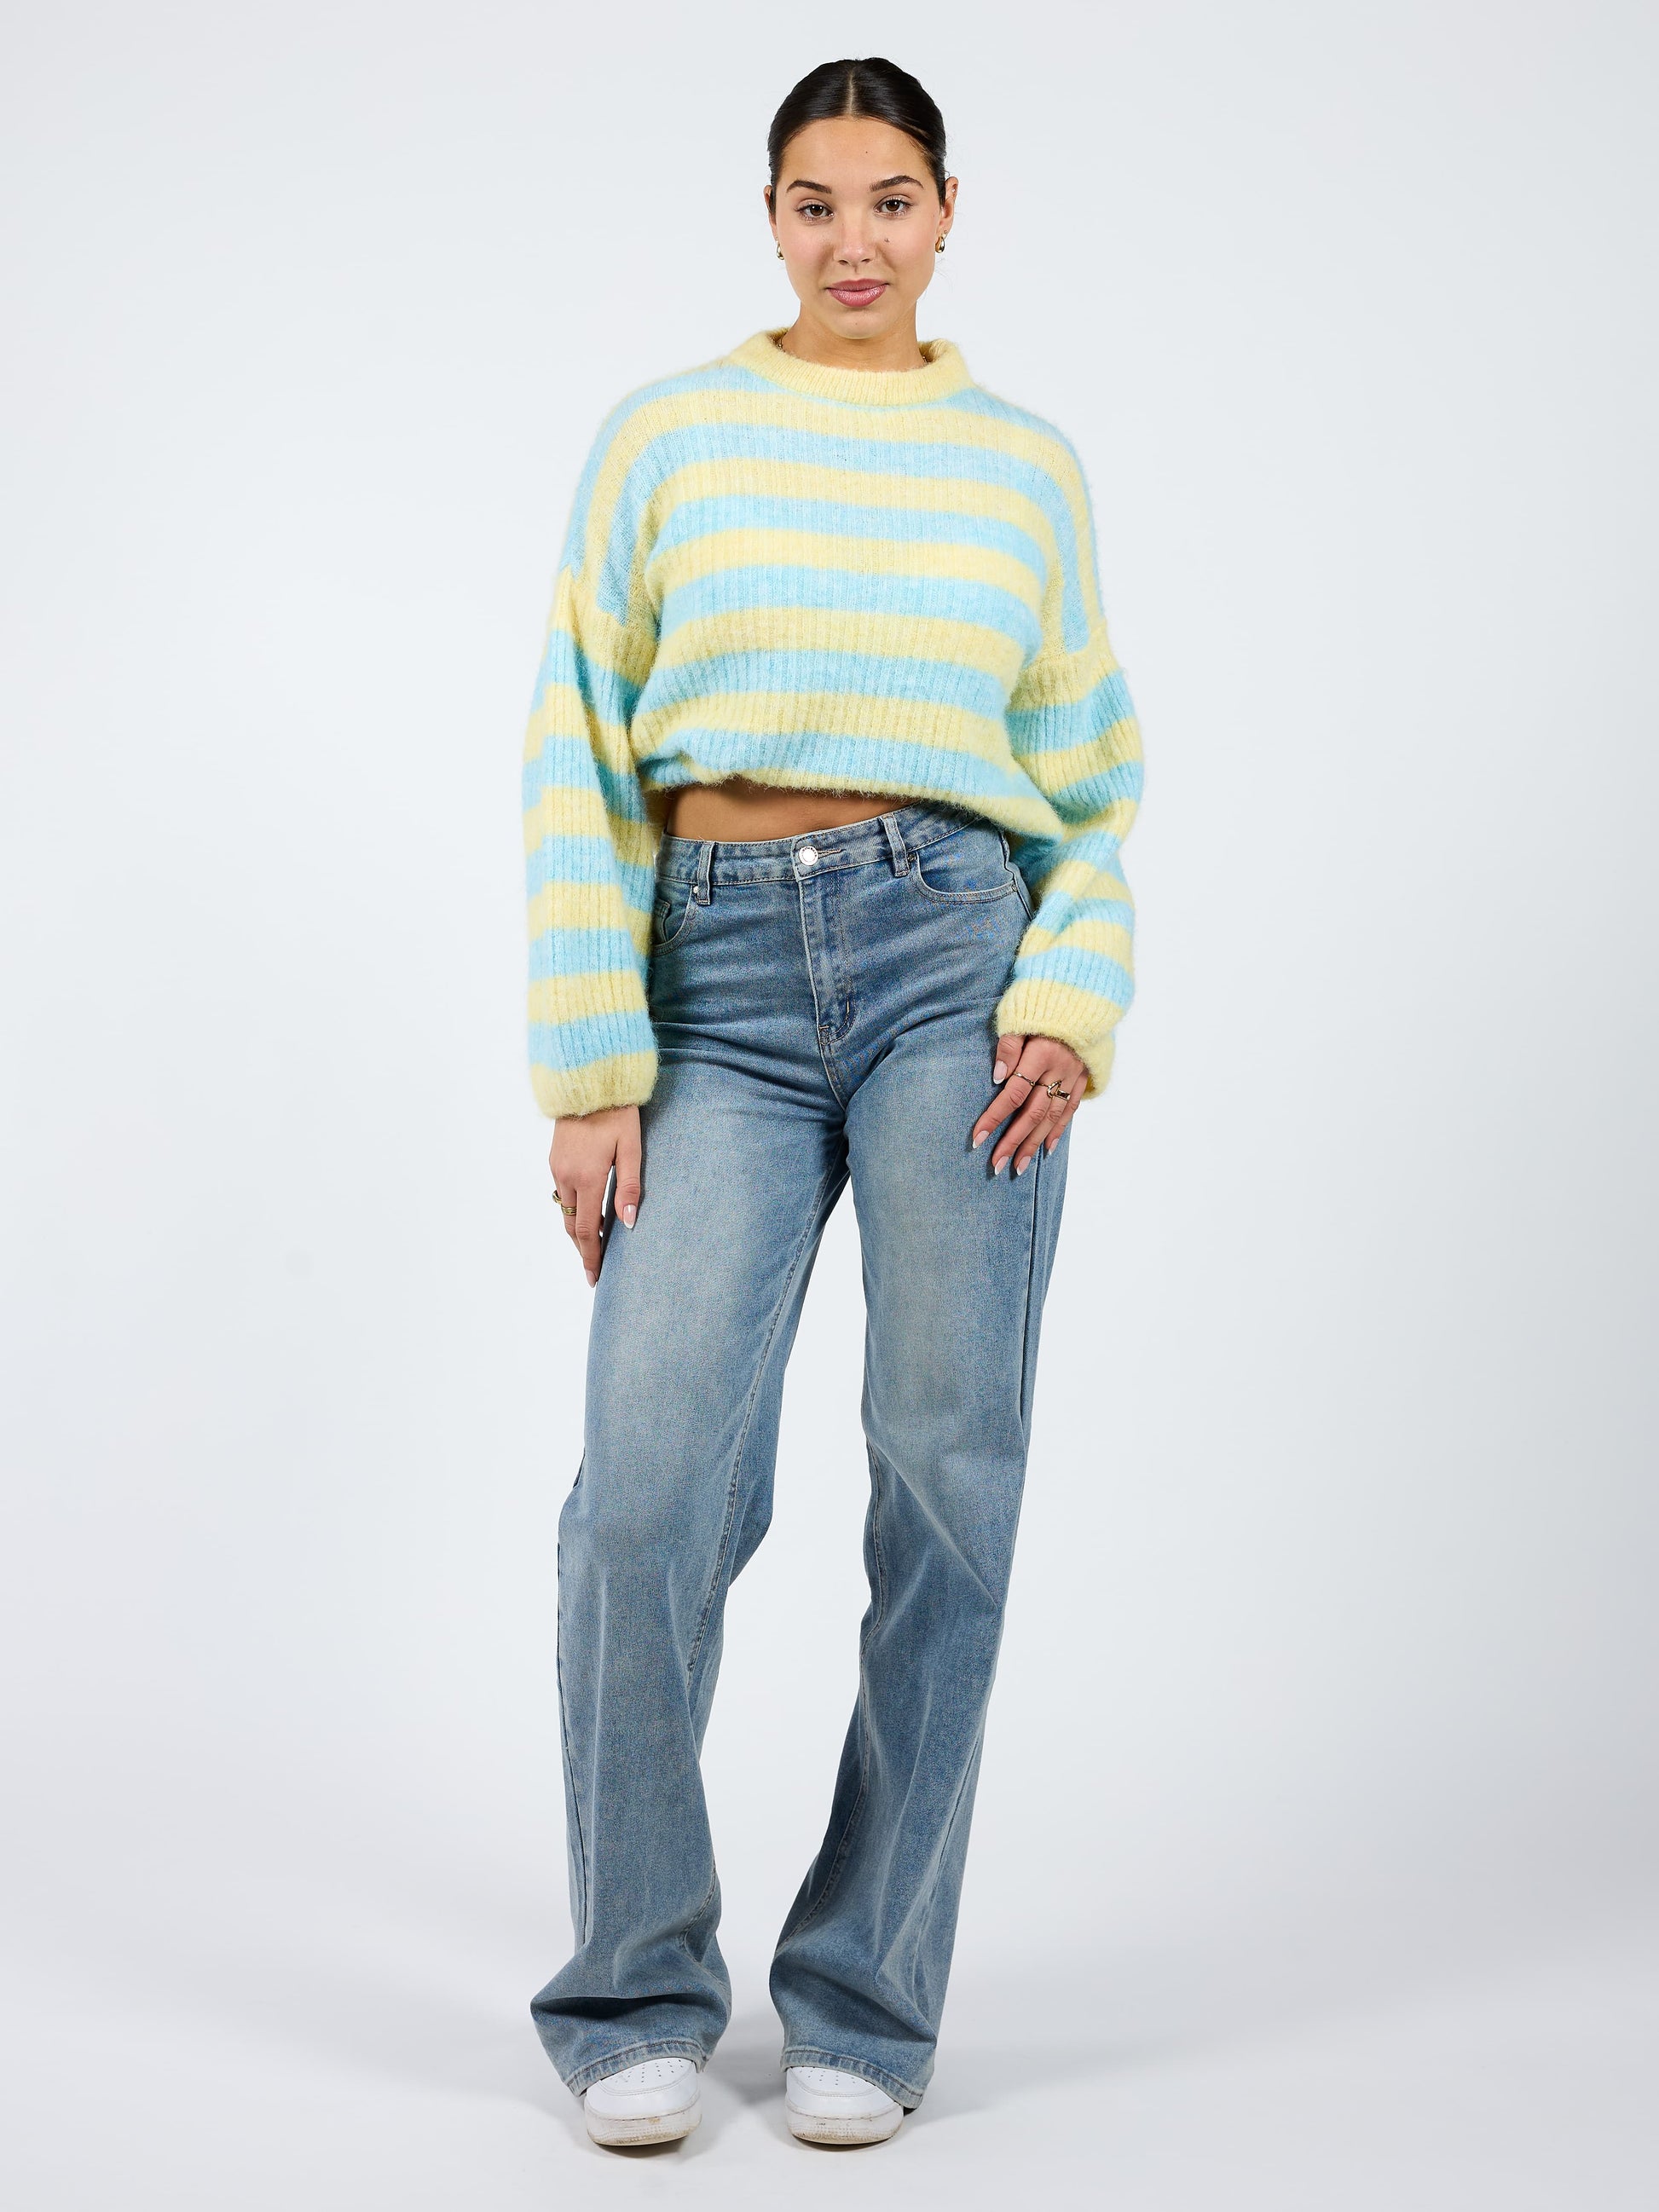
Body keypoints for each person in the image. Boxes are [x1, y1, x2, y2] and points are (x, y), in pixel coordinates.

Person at [520, 55, 1143, 2151]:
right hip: (708, 976)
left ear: (948, 212)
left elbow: (1091, 779)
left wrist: (1072, 987)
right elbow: (576, 749)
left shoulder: (1021, 471)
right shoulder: (668, 438)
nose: (853, 238)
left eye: (890, 198)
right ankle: (633, 1983)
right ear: (768, 218)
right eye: (814, 201)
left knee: (947, 1477)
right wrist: (590, 1065)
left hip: (955, 962)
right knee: (643, 1488)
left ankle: (867, 1992)